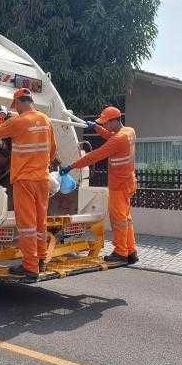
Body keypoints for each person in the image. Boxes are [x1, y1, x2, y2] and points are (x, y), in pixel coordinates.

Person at [0, 88, 58, 281]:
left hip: (24, 180)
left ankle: (30, 267)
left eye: (15, 106)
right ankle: (41, 259)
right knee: (40, 223)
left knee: (27, 225)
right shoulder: (46, 120)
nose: (15, 109)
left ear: (18, 103)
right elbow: (53, 151)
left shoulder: (18, 121)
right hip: (42, 180)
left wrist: (1, 115)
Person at [61, 106, 138, 265]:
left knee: (118, 219)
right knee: (126, 219)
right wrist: (96, 127)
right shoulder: (129, 132)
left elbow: (95, 155)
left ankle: (121, 252)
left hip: (119, 185)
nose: (105, 126)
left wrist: (72, 166)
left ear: (115, 120)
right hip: (128, 182)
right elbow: (111, 136)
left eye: (106, 123)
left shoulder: (118, 140)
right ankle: (131, 251)